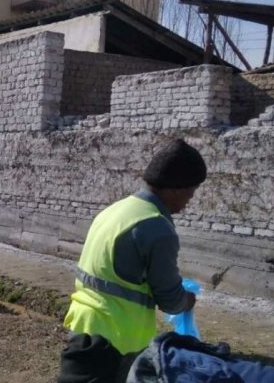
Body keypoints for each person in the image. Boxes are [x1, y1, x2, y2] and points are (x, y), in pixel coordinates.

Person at [58, 139, 206, 383]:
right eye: (191, 192)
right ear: (177, 189)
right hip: (118, 343)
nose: (189, 201)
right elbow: (170, 300)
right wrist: (187, 300)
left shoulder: (115, 211)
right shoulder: (157, 227)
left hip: (83, 326)